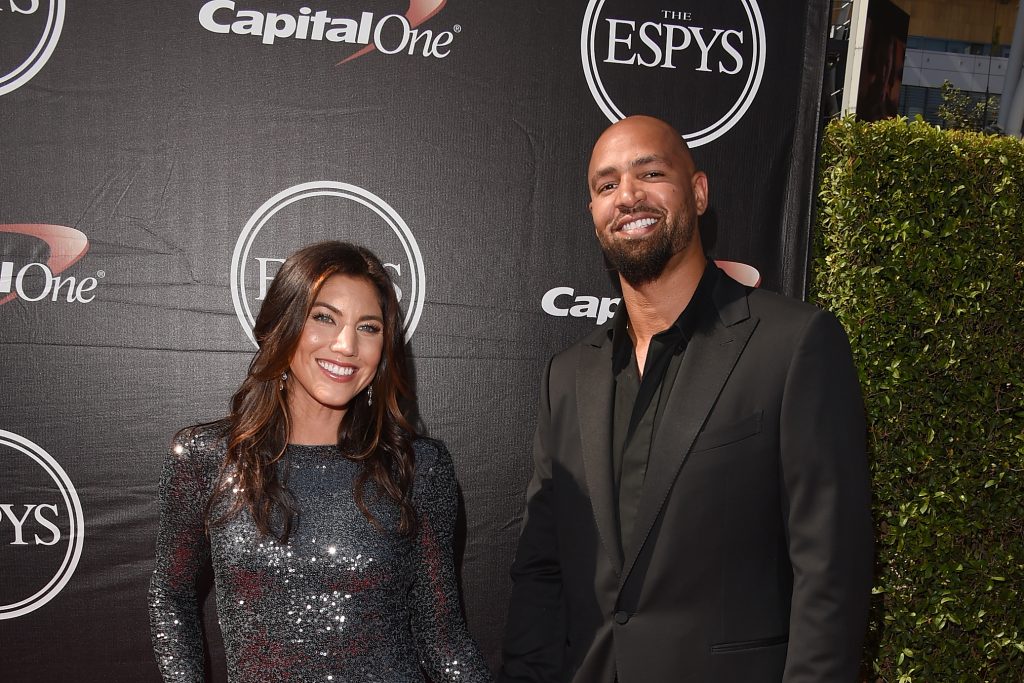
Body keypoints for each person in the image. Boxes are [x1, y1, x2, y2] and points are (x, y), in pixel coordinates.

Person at [500, 116, 873, 683]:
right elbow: (541, 571)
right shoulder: (568, 375)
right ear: (594, 213)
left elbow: (831, 571)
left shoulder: (793, 345)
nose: (628, 196)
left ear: (698, 192)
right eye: (606, 185)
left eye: (650, 173)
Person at [149, 241, 491, 682]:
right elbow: (171, 594)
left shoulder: (418, 467)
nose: (347, 344)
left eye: (369, 328)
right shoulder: (207, 457)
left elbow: (442, 637)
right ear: (284, 325)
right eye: (324, 318)